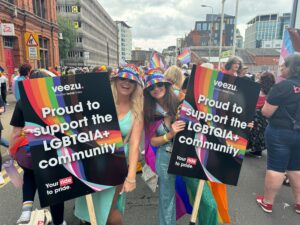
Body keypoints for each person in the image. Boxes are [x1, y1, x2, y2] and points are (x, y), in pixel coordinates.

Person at [144, 70, 218, 225]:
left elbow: (211, 115)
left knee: (205, 198)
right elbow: (152, 142)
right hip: (165, 157)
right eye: (152, 88)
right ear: (148, 92)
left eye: (159, 85)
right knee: (167, 199)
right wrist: (169, 134)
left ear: (166, 85)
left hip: (188, 155)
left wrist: (242, 123)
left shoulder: (182, 102)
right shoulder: (150, 111)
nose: (156, 89)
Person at [75, 64, 144, 225]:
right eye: (122, 78)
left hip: (117, 165)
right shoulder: (99, 101)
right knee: (89, 211)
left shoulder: (137, 110)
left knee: (107, 212)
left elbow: (134, 145)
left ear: (136, 86)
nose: (126, 83)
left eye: (131, 81)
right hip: (92, 163)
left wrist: (132, 176)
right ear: (115, 80)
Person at [9, 70, 66, 225]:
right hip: (54, 150)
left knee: (29, 174)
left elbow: (15, 132)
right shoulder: (58, 100)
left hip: (30, 151)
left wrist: (12, 151)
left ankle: (26, 210)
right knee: (55, 185)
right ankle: (59, 222)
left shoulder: (23, 102)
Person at [256, 54, 300, 214]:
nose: (281, 68)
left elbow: (266, 112)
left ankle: (267, 203)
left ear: (291, 68)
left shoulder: (282, 87)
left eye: (283, 65)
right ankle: (299, 203)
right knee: (296, 168)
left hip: (280, 132)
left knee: (276, 167)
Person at [247, 72, 275, 157]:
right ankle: (258, 150)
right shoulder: (273, 91)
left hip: (254, 113)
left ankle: (249, 147)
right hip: (264, 114)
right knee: (261, 131)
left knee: (251, 131)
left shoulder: (256, 87)